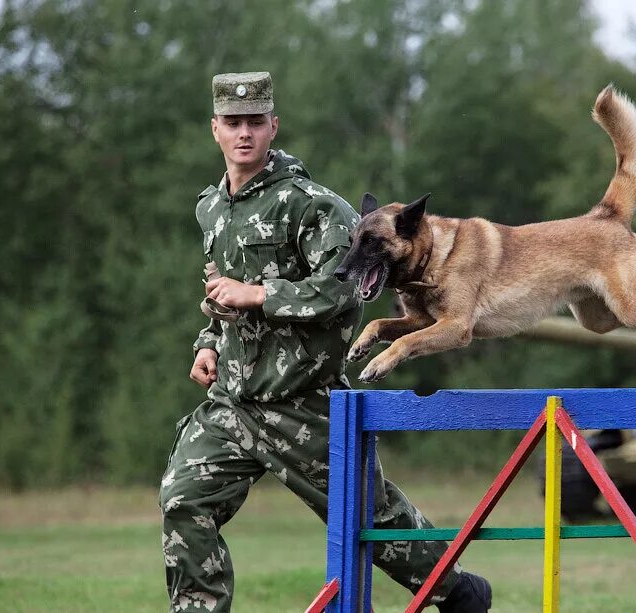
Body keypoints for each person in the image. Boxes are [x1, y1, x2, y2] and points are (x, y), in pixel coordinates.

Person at [159, 72, 492, 613]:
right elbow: (219, 289)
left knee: (373, 521)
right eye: (233, 123)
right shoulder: (211, 208)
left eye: (255, 123)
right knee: (182, 502)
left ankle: (458, 590)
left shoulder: (314, 206)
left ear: (273, 127)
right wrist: (209, 342)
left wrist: (260, 294)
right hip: (234, 403)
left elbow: (344, 291)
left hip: (305, 406)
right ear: (215, 129)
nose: (244, 134)